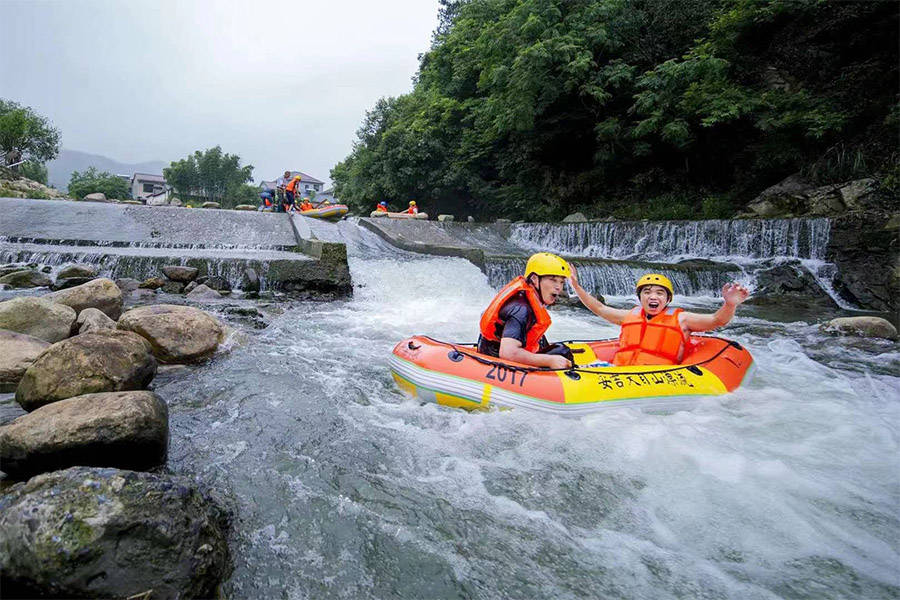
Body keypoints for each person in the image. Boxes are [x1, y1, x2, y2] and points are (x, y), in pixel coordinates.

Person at [569, 269, 750, 366]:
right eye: (647, 292)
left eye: (659, 293)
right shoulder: (629, 316)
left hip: (658, 381)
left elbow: (717, 320)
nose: (653, 297)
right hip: (620, 374)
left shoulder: (682, 319)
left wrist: (730, 304)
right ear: (640, 298)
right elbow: (599, 308)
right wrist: (576, 287)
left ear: (668, 299)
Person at [477, 252, 574, 369]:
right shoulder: (521, 308)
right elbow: (508, 353)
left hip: (493, 348)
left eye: (562, 282)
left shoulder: (528, 299)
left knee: (555, 348)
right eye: (553, 280)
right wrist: (550, 360)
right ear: (534, 279)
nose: (558, 287)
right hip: (495, 359)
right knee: (562, 351)